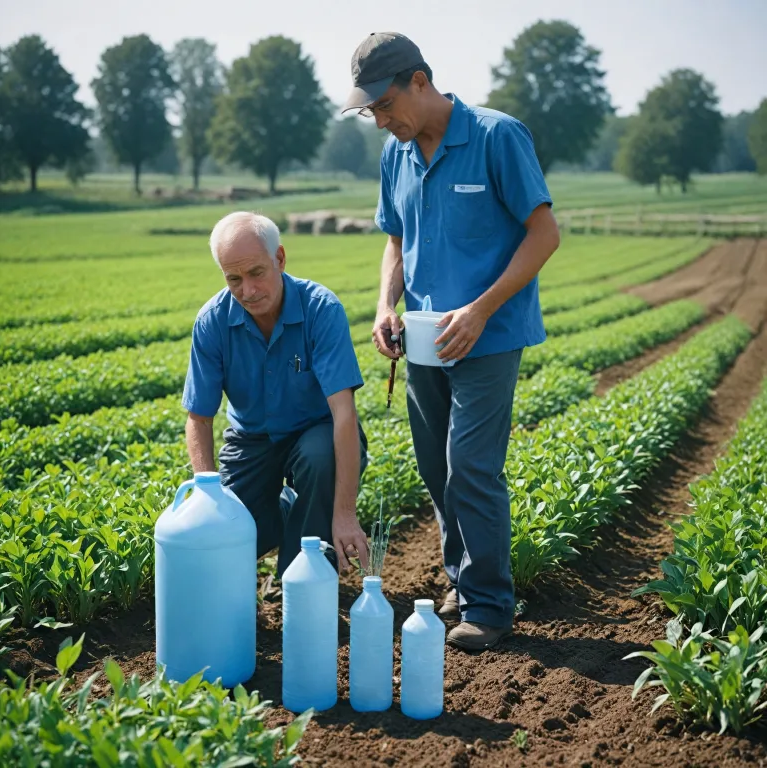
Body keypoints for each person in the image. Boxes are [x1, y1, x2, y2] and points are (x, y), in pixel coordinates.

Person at [342, 32, 561, 651]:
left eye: (385, 105)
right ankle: (462, 583)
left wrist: (481, 309)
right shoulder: (397, 155)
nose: (381, 121)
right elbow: (395, 241)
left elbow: (544, 234)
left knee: (470, 465)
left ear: (419, 80)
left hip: (489, 335)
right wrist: (386, 305)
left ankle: (488, 606)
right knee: (436, 467)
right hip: (424, 338)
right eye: (371, 112)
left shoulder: (496, 136)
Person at [181, 211, 370, 577]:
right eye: (234, 279)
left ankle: (301, 578)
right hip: (251, 439)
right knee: (230, 533)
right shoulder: (212, 321)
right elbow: (199, 418)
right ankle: (282, 512)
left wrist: (345, 513)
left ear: (279, 259)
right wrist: (207, 493)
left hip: (316, 432)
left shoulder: (321, 310)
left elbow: (343, 413)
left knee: (320, 457)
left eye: (256, 273)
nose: (248, 291)